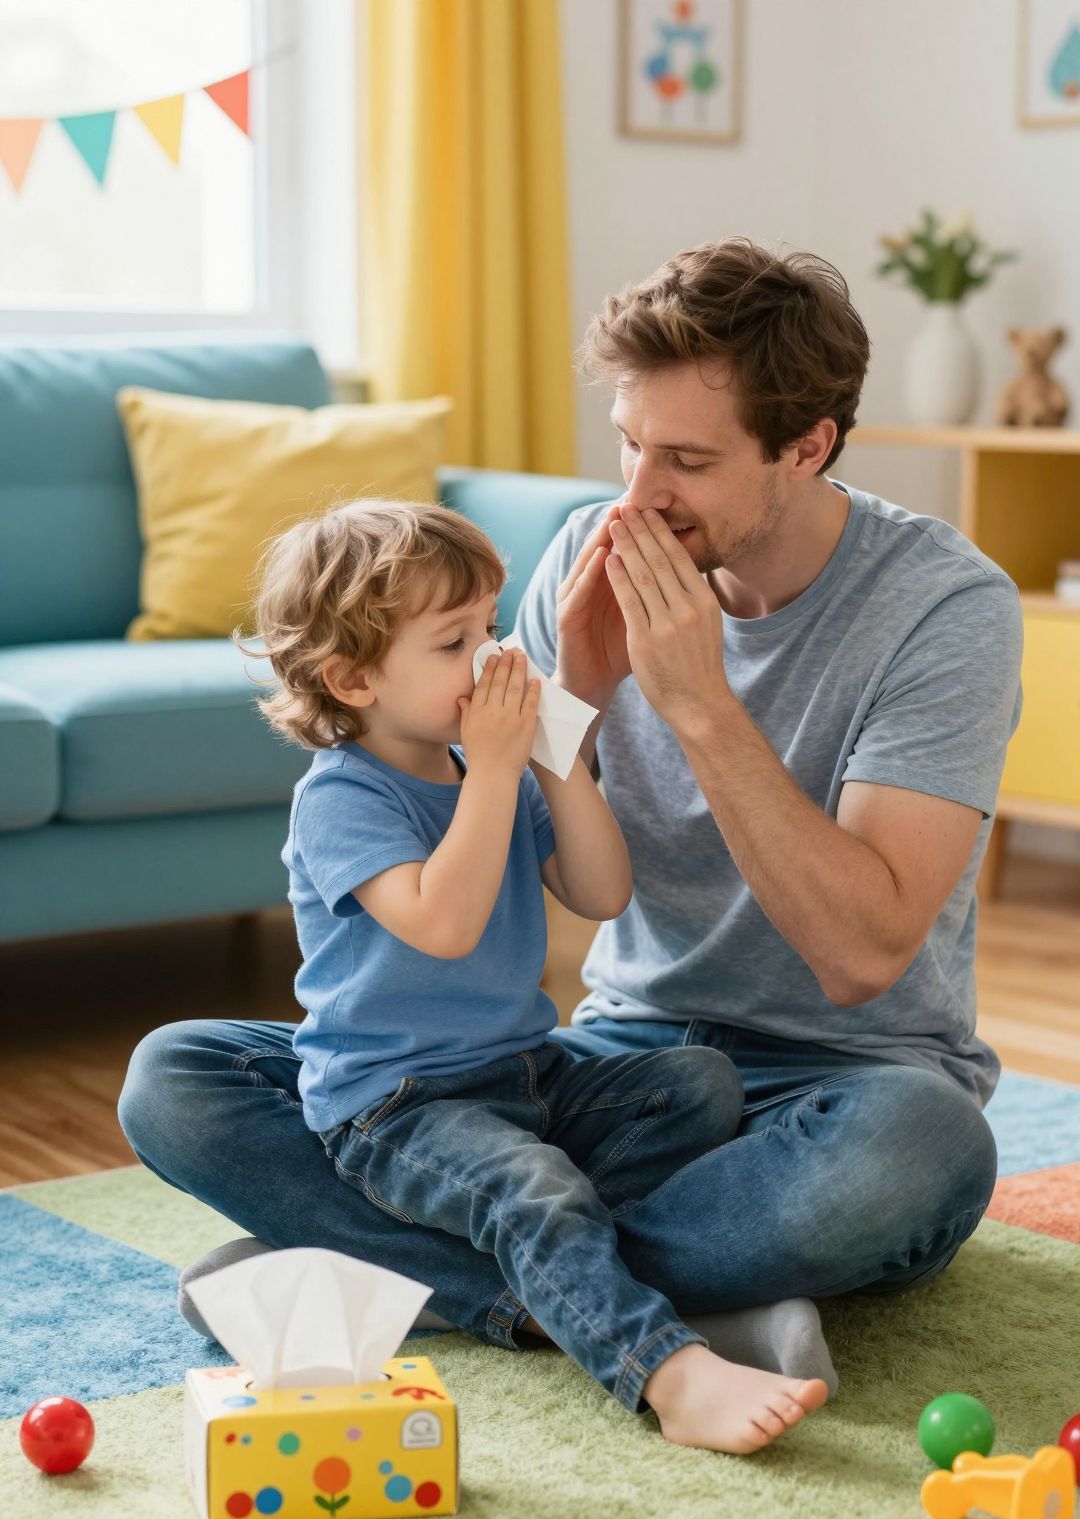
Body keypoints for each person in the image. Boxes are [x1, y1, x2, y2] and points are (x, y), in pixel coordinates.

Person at [119, 235, 1020, 1423]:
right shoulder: (583, 558)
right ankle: (633, 1295)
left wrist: (697, 700)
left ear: (807, 447)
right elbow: (533, 864)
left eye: (688, 460)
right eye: (632, 445)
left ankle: (404, 1276)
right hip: (617, 1068)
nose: (639, 496)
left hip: (842, 1082)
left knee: (928, 1149)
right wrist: (575, 720)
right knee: (180, 1077)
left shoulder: (945, 609)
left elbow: (862, 958)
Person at [160, 498, 829, 1454]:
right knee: (535, 1192)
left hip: (522, 1076)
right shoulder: (343, 797)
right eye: (453, 643)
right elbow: (443, 919)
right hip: (397, 1104)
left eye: (490, 627)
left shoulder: (500, 769)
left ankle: (387, 1276)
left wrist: (555, 758)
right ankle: (668, 1373)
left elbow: (601, 891)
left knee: (698, 1085)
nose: (492, 657)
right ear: (352, 677)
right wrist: (494, 772)